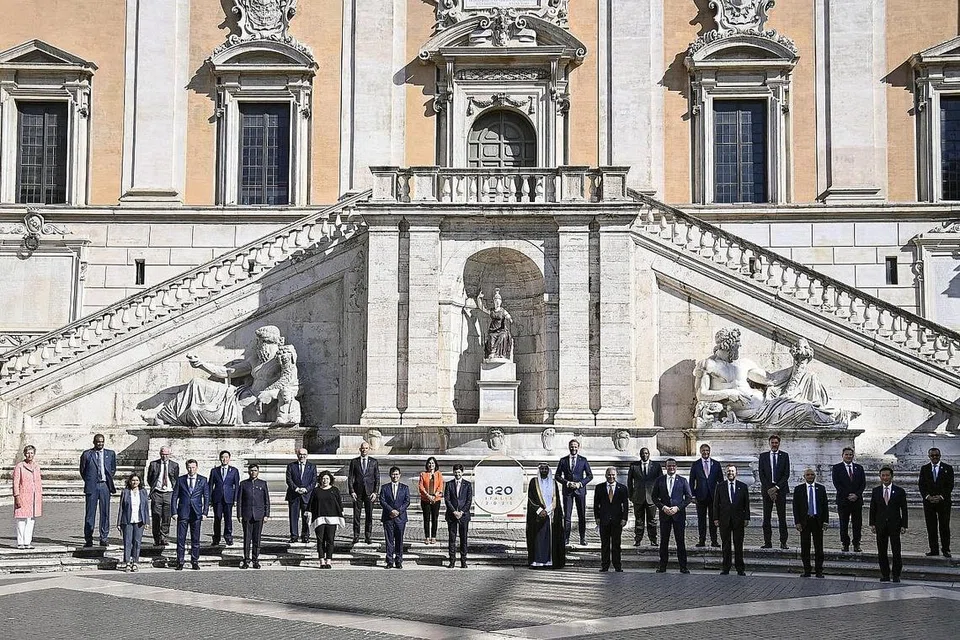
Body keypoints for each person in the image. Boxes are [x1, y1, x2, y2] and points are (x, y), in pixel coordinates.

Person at [154, 325, 301, 426]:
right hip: (237, 394)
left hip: (247, 407)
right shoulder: (255, 359)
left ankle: (175, 419)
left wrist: (270, 392)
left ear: (273, 342)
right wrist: (201, 364)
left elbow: (289, 380)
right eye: (260, 342)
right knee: (197, 383)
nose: (260, 346)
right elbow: (226, 372)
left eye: (263, 342)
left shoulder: (283, 356)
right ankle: (164, 416)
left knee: (195, 412)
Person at [652, 458, 693, 573]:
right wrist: (663, 507)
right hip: (665, 514)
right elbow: (654, 497)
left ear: (676, 467)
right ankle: (662, 566)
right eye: (669, 466)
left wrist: (678, 508)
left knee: (680, 541)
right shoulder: (659, 480)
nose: (671, 468)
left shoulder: (683, 480)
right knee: (664, 541)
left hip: (678, 515)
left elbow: (689, 497)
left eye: (673, 466)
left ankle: (683, 567)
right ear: (666, 467)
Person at [870, 466, 908, 582]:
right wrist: (872, 524)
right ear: (880, 477)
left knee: (896, 550)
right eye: (883, 475)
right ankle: (885, 574)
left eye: (887, 475)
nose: (885, 478)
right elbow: (873, 508)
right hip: (880, 525)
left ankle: (896, 574)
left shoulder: (900, 491)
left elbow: (904, 509)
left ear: (892, 476)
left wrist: (904, 525)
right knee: (882, 550)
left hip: (895, 524)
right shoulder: (876, 491)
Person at [79, 434, 117, 548]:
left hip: (105, 485)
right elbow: (82, 470)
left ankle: (104, 537)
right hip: (92, 486)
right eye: (98, 442)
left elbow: (113, 468)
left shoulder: (110, 454)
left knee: (105, 513)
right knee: (90, 514)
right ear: (94, 442)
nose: (100, 443)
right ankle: (88, 538)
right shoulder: (87, 454)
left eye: (102, 442)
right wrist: (90, 480)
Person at [171, 459, 209, 570]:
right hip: (183, 512)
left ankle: (195, 560)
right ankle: (180, 561)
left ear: (196, 467)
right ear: (186, 467)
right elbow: (174, 496)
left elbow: (206, 497)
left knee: (195, 539)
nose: (191, 469)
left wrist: (205, 512)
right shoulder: (181, 480)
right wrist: (174, 512)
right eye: (189, 467)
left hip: (196, 513)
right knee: (181, 538)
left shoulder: (202, 480)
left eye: (193, 467)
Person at [526, 463, 566, 569]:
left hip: (550, 515)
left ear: (548, 470)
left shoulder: (553, 483)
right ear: (539, 470)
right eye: (542, 469)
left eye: (546, 469)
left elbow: (556, 499)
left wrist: (548, 510)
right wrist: (539, 510)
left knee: (550, 539)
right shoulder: (533, 482)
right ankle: (538, 561)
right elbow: (530, 498)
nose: (544, 470)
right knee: (538, 539)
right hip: (537, 516)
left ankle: (549, 561)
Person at [556, 439, 593, 547]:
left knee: (582, 516)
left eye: (575, 446)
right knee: (567, 516)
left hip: (580, 491)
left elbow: (590, 476)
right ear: (569, 447)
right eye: (572, 446)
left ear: (578, 447)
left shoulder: (583, 460)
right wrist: (567, 483)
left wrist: (580, 484)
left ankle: (582, 538)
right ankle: (566, 538)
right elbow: (557, 476)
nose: (573, 448)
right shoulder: (563, 460)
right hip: (567, 491)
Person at [713, 464, 750, 575]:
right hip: (724, 519)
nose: (730, 473)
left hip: (738, 520)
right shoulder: (720, 486)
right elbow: (716, 504)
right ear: (726, 473)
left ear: (736, 473)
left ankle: (740, 568)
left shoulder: (743, 486)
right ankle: (726, 567)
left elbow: (746, 504)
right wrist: (716, 518)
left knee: (738, 545)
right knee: (726, 545)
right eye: (728, 471)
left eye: (732, 471)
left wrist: (746, 518)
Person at [793, 468, 829, 578]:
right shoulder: (799, 489)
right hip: (805, 521)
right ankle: (807, 570)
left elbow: (825, 506)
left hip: (817, 521)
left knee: (819, 547)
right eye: (807, 475)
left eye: (812, 474)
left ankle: (819, 571)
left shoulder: (821, 488)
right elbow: (796, 507)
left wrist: (825, 521)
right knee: (805, 546)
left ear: (815, 476)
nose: (810, 476)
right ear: (804, 476)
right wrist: (797, 522)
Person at [919, 447, 953, 558]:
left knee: (944, 526)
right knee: (931, 526)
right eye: (932, 455)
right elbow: (921, 485)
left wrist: (941, 496)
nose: (934, 457)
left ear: (940, 456)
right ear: (929, 456)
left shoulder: (948, 468)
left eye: (936, 455)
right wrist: (928, 497)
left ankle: (946, 549)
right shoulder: (924, 469)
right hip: (929, 503)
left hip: (943, 502)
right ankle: (933, 549)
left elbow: (950, 485)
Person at [594, 467, 629, 572]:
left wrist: (624, 518)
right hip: (604, 520)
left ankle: (617, 565)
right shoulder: (599, 487)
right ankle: (604, 565)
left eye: (613, 475)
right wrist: (597, 517)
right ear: (605, 475)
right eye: (609, 474)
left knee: (616, 544)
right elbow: (596, 504)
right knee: (604, 544)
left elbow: (626, 505)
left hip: (617, 520)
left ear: (616, 475)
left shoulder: (622, 488)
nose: (611, 476)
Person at [758, 434, 790, 549]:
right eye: (773, 442)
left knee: (782, 517)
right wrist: (769, 489)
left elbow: (786, 474)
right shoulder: (763, 456)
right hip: (767, 490)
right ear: (769, 443)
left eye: (776, 443)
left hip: (780, 490)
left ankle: (783, 541)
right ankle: (767, 542)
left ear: (779, 443)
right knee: (766, 517)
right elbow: (761, 474)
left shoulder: (785, 456)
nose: (774, 444)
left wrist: (776, 488)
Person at [831, 447, 865, 552]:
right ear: (842, 455)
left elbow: (862, 484)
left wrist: (856, 495)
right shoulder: (837, 468)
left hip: (857, 500)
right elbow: (837, 484)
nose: (849, 456)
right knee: (843, 523)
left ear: (853, 456)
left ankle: (856, 543)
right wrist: (848, 495)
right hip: (843, 500)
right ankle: (845, 543)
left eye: (850, 454)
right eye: (846, 454)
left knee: (857, 524)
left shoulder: (859, 468)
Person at [236, 463, 270, 569]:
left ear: (258, 471)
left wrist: (266, 514)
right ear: (248, 472)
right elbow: (239, 501)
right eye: (251, 470)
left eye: (255, 470)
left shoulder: (263, 484)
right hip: (247, 515)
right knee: (247, 539)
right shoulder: (243, 484)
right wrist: (239, 514)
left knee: (257, 539)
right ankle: (246, 560)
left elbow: (266, 500)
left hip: (259, 515)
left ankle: (255, 559)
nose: (253, 472)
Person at [308, 470, 344, 568]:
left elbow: (339, 504)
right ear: (320, 479)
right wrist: (308, 512)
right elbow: (311, 503)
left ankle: (328, 561)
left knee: (330, 540)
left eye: (327, 478)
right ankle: (321, 561)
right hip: (319, 518)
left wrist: (341, 513)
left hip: (332, 518)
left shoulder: (335, 490)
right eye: (323, 478)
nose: (325, 480)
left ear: (330, 479)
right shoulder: (316, 490)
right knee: (320, 540)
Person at [688, 443, 722, 548]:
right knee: (701, 520)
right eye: (703, 450)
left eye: (707, 450)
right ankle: (701, 540)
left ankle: (714, 540)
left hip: (713, 496)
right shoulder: (696, 464)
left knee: (714, 519)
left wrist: (721, 496)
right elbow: (691, 481)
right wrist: (692, 495)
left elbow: (721, 481)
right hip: (700, 496)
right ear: (700, 451)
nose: (705, 452)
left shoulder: (716, 464)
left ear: (710, 451)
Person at [627, 448, 661, 547]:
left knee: (652, 521)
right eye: (642, 454)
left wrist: (659, 496)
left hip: (652, 498)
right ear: (640, 455)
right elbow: (629, 482)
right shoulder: (634, 466)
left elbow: (660, 482)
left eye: (646, 453)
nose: (644, 455)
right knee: (639, 520)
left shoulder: (656, 466)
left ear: (649, 454)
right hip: (638, 497)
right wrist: (631, 496)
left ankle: (653, 540)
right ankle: (637, 540)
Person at [146, 446, 178, 547]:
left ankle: (164, 537)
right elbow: (149, 478)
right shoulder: (154, 464)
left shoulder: (174, 465)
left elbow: (175, 479)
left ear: (170, 454)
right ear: (160, 453)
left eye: (166, 454)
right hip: (157, 493)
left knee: (166, 517)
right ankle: (156, 538)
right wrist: (154, 489)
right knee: (156, 516)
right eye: (163, 454)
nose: (164, 456)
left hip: (169, 493)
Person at [117, 473, 150, 572]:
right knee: (127, 542)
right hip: (127, 520)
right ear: (130, 481)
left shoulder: (143, 492)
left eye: (137, 480)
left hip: (139, 520)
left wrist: (147, 521)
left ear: (140, 482)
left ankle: (135, 562)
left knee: (137, 542)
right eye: (133, 480)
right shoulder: (126, 492)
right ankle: (127, 562)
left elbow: (145, 508)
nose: (135, 482)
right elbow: (121, 508)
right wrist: (119, 522)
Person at [348, 442, 380, 545]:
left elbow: (377, 478)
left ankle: (368, 536)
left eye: (366, 448)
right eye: (362, 448)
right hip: (357, 492)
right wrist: (352, 491)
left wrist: (375, 492)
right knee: (356, 516)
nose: (364, 450)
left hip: (369, 492)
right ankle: (356, 535)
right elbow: (350, 477)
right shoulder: (354, 462)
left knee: (369, 515)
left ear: (369, 449)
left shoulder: (374, 462)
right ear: (359, 449)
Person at [12, 445, 43, 550]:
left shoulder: (36, 466)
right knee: (21, 519)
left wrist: (39, 495)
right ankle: (20, 542)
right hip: (23, 495)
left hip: (34, 497)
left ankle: (27, 542)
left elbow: (38, 482)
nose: (30, 455)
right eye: (28, 453)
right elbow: (15, 483)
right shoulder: (19, 466)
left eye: (32, 453)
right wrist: (16, 496)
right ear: (25, 454)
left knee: (31, 520)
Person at [379, 466, 410, 569]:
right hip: (388, 517)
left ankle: (399, 560)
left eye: (397, 474)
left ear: (399, 475)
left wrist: (398, 511)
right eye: (393, 474)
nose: (395, 476)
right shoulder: (384, 487)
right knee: (389, 540)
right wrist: (391, 510)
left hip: (400, 518)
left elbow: (407, 501)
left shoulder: (405, 487)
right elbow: (382, 500)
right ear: (390, 475)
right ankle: (389, 561)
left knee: (399, 540)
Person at [209, 450, 241, 547]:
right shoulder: (214, 471)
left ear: (229, 459)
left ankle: (228, 537)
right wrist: (210, 499)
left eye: (226, 457)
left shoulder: (234, 470)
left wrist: (236, 499)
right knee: (217, 518)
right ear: (220, 458)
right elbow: (210, 485)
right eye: (222, 457)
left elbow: (237, 486)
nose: (224, 459)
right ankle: (216, 538)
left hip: (229, 498)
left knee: (228, 518)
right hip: (217, 498)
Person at [443, 464, 472, 568]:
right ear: (453, 472)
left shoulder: (468, 484)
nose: (457, 474)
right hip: (452, 515)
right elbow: (447, 499)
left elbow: (469, 501)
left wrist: (462, 512)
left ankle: (463, 561)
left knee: (464, 539)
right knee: (452, 539)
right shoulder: (449, 484)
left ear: (462, 472)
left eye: (459, 472)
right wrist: (454, 511)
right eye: (455, 472)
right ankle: (452, 560)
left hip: (463, 516)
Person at [285, 448, 317, 543]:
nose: (302, 456)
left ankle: (305, 535)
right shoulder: (291, 466)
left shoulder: (312, 466)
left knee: (306, 516)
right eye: (300, 454)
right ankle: (294, 536)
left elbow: (314, 480)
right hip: (294, 495)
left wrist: (306, 489)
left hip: (307, 495)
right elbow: (289, 479)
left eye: (304, 454)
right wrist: (296, 489)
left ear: (307, 455)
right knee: (293, 516)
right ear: (297, 455)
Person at [419, 457, 444, 545]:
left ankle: (433, 536)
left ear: (435, 464)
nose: (431, 465)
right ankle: (427, 537)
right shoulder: (423, 474)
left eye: (433, 463)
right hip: (425, 499)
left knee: (434, 518)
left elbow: (440, 486)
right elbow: (421, 486)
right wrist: (427, 495)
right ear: (427, 465)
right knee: (426, 519)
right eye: (429, 463)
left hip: (436, 499)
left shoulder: (439, 474)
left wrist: (435, 495)